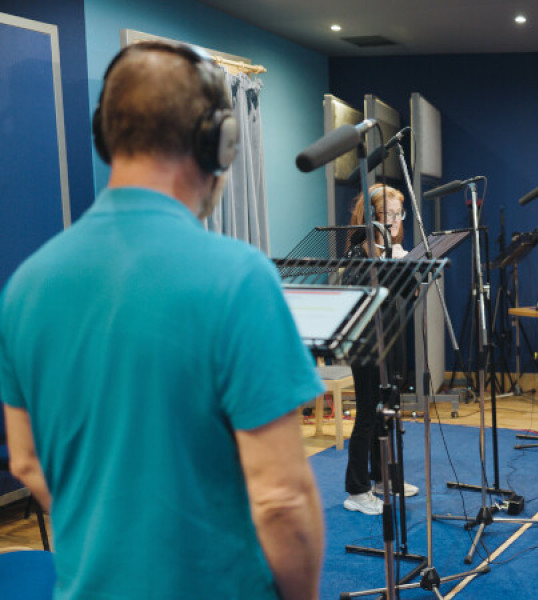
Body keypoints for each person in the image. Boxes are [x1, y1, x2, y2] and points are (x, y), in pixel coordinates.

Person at [0, 42, 325, 599]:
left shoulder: (26, 285)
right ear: (219, 142)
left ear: (106, 136)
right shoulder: (239, 276)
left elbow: (28, 462)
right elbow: (281, 499)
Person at [343, 183, 419, 515]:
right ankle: (356, 490)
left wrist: (405, 264)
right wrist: (387, 265)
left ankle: (382, 478)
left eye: (398, 214)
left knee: (385, 413)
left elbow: (411, 293)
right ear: (371, 216)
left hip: (390, 340)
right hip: (366, 344)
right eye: (387, 213)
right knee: (366, 415)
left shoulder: (394, 250)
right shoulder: (358, 252)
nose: (394, 220)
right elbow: (360, 299)